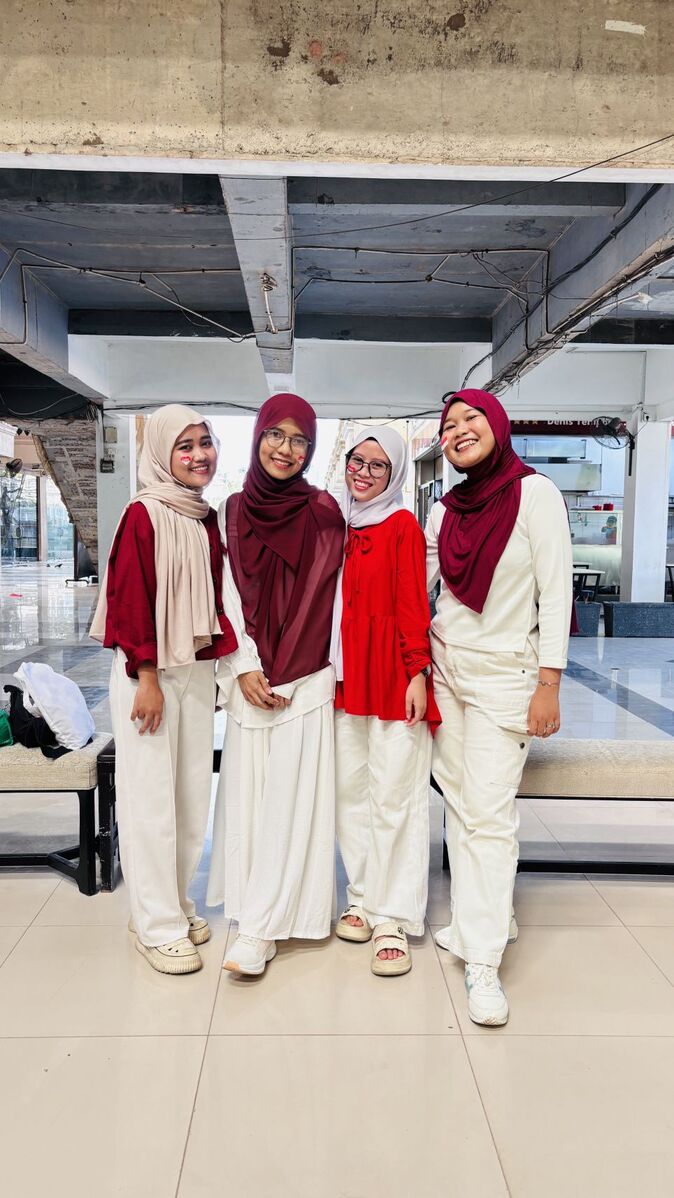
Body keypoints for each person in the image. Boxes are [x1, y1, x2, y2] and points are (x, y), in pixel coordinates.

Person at [426, 389, 573, 1024]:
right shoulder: (446, 509)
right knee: (461, 803)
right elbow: (423, 584)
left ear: (497, 425)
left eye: (471, 419)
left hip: (506, 677)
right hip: (446, 669)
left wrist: (549, 683)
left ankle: (482, 959)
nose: (459, 430)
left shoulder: (535, 493)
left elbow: (556, 590)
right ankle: (480, 918)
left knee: (487, 814)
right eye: (449, 425)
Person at [91, 404, 238, 975]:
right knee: (150, 798)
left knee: (190, 795)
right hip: (147, 673)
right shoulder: (142, 513)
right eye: (185, 446)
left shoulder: (203, 517)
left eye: (205, 442)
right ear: (160, 453)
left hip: (193, 668)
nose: (200, 455)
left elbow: (215, 598)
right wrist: (146, 677)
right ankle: (155, 927)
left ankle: (172, 904)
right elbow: (129, 599)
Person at [207, 394, 345, 977]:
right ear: (258, 435)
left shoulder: (323, 511)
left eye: (299, 440)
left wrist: (286, 671)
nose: (286, 449)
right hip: (250, 678)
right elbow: (223, 594)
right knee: (250, 800)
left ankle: (266, 928)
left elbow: (322, 597)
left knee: (291, 801)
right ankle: (252, 912)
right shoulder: (231, 511)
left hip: (303, 680)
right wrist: (243, 665)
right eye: (276, 435)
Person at [331, 427, 440, 977]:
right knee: (349, 791)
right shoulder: (334, 522)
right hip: (342, 673)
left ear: (394, 473)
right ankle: (362, 894)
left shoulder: (402, 526)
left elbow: (413, 600)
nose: (365, 473)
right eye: (358, 461)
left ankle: (393, 916)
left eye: (378, 466)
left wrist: (417, 671)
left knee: (394, 793)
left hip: (393, 670)